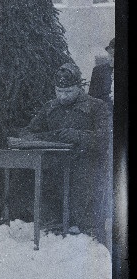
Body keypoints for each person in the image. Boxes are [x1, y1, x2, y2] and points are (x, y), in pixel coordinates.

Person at [18, 63, 111, 245]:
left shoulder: (96, 107)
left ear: (79, 87)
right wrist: (49, 136)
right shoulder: (50, 107)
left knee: (85, 211)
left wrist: (77, 136)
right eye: (59, 91)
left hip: (87, 166)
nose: (63, 96)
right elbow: (28, 132)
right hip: (55, 168)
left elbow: (105, 137)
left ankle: (89, 235)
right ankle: (53, 230)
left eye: (68, 91)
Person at [88, 38, 114, 110]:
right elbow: (91, 97)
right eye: (110, 53)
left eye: (114, 55)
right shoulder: (98, 71)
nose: (110, 58)